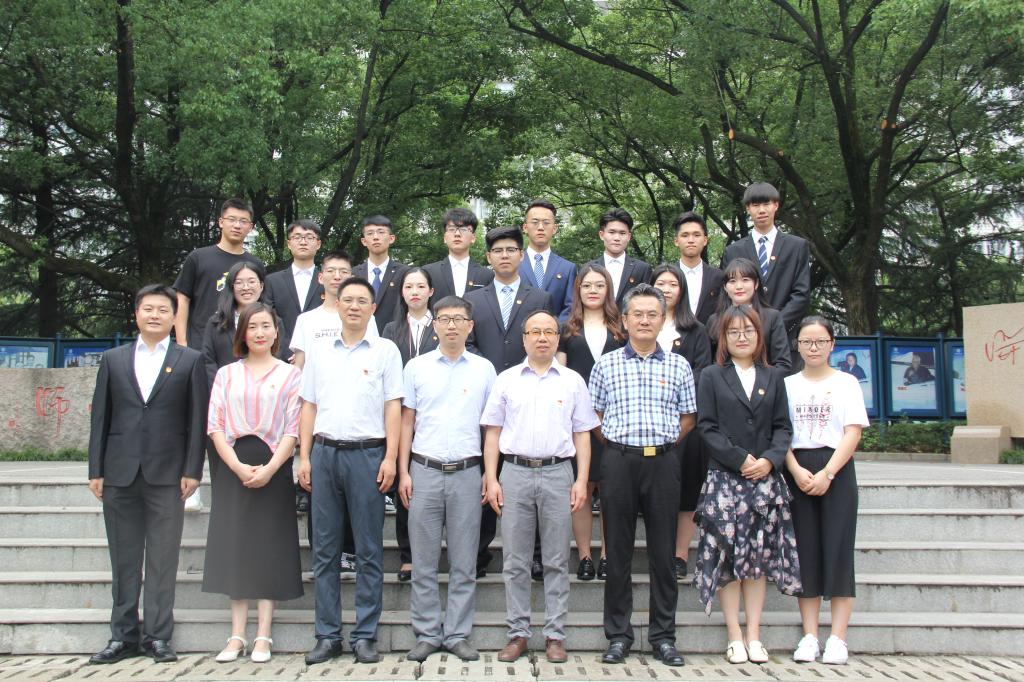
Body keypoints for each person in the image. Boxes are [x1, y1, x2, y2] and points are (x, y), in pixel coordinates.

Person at [87, 285, 207, 664]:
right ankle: (122, 636)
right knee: (123, 559)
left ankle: (157, 636)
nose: (155, 315)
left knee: (162, 558)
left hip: (168, 474)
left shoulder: (189, 360)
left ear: (174, 317)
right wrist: (96, 469)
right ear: (136, 314)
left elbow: (197, 420)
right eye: (148, 309)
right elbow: (101, 416)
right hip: (119, 472)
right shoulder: (114, 359)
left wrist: (193, 469)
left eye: (163, 310)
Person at [482, 310, 599, 664]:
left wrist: (581, 479)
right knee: (515, 560)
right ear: (524, 339)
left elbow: (582, 434)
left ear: (558, 338)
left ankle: (555, 635)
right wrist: (491, 477)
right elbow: (493, 432)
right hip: (515, 473)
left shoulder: (572, 381)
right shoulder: (506, 380)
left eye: (549, 331)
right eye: (535, 332)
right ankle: (517, 633)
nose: (543, 338)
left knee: (556, 559)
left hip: (557, 473)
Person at [589, 284, 696, 667]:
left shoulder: (679, 366)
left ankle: (663, 637)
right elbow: (594, 415)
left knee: (663, 554)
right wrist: (621, 445)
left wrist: (660, 445)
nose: (645, 320)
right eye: (638, 314)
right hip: (618, 462)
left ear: (663, 319)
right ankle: (618, 635)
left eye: (653, 314)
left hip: (663, 463)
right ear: (625, 319)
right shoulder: (606, 364)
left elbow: (688, 417)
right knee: (617, 551)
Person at [297, 277, 403, 665]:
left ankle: (365, 635)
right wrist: (304, 456)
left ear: (373, 309)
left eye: (362, 301)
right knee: (324, 551)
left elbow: (394, 406)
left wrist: (390, 458)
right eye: (348, 300)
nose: (354, 306)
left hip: (368, 456)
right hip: (325, 454)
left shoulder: (386, 351)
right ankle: (327, 635)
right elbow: (308, 405)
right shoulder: (319, 351)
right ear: (337, 305)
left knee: (368, 549)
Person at [694, 304, 802, 665]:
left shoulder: (774, 377)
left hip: (764, 482)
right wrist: (740, 459)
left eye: (749, 331)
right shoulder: (711, 376)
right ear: (723, 338)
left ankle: (754, 635)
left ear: (760, 335)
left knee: (758, 559)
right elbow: (707, 426)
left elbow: (783, 426)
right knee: (728, 559)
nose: (742, 337)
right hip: (726, 479)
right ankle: (734, 635)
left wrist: (770, 459)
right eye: (734, 332)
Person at [397, 295, 496, 663]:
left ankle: (456, 634)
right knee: (423, 560)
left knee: (464, 561)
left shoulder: (484, 369)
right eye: (444, 319)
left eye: (458, 319)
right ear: (434, 325)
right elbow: (407, 422)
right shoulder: (416, 367)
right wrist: (403, 471)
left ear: (470, 326)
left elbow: (491, 427)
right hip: (423, 471)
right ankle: (426, 633)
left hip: (468, 473)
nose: (451, 325)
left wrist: (489, 474)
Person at [203, 303, 303, 664]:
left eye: (266, 326)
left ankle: (263, 634)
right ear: (242, 333)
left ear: (276, 332)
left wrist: (271, 468)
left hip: (274, 464)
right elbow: (215, 424)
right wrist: (236, 466)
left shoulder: (291, 375)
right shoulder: (227, 374)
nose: (259, 332)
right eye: (252, 326)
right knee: (236, 546)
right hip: (233, 464)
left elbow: (293, 427)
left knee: (268, 547)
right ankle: (236, 635)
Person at [465, 225, 553, 578]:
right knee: (486, 473)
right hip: (485, 395)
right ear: (488, 257)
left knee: (530, 473)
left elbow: (545, 342)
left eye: (511, 250)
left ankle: (536, 555)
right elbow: (469, 343)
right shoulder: (474, 299)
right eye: (498, 250)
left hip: (529, 394)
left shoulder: (539, 297)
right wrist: (490, 374)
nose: (504, 255)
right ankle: (479, 552)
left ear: (521, 255)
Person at [784, 316, 868, 666]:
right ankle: (809, 636)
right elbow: (780, 434)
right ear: (798, 346)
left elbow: (853, 432)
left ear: (832, 344)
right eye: (807, 341)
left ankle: (837, 637)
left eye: (820, 341)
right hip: (798, 469)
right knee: (805, 554)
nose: (814, 347)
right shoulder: (787, 384)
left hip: (836, 469)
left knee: (838, 550)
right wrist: (795, 469)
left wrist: (828, 473)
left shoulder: (847, 382)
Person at [555, 264, 627, 582]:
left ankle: (608, 555)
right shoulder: (566, 329)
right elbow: (559, 376)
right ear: (578, 290)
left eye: (599, 285)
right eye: (587, 285)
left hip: (616, 421)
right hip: (578, 423)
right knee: (581, 490)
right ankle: (585, 555)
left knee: (612, 492)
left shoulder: (622, 328)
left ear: (608, 290)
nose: (593, 290)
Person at [649, 263, 712, 581]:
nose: (666, 289)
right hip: (648, 422)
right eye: (660, 283)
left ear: (682, 290)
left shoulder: (696, 330)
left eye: (673, 284)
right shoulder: (642, 324)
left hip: (686, 422)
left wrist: (673, 392)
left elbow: (702, 370)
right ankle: (658, 551)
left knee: (686, 489)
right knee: (655, 491)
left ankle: (680, 554)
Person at [382, 267, 440, 583]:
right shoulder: (391, 329)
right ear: (402, 292)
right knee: (405, 486)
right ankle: (408, 556)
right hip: (400, 413)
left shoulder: (443, 324)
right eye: (408, 286)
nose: (414, 292)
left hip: (434, 414)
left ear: (431, 291)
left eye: (420, 286)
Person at [721, 182, 810, 339]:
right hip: (743, 336)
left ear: (776, 205)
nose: (761, 210)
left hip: (784, 336)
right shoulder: (733, 251)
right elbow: (727, 294)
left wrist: (775, 325)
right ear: (748, 208)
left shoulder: (797, 246)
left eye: (766, 204)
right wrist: (747, 326)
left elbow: (801, 295)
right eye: (755, 205)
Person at [173, 198, 263, 350]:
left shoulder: (255, 264)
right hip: (200, 344)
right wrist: (182, 342)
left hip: (243, 345)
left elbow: (261, 304)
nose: (237, 225)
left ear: (250, 227)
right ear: (221, 222)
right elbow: (182, 299)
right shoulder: (198, 258)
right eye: (231, 219)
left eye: (243, 221)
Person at [706, 258, 792, 371]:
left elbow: (782, 364)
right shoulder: (714, 320)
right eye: (732, 281)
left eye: (745, 280)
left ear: (756, 284)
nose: (739, 286)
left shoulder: (772, 317)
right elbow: (709, 363)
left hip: (765, 381)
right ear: (725, 287)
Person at [201, 261, 270, 388]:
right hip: (223, 391)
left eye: (251, 281)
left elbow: (277, 356)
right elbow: (208, 361)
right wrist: (219, 389)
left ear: (261, 286)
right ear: (231, 287)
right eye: (239, 283)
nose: (246, 287)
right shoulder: (216, 322)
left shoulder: (274, 321)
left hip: (264, 392)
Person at [262, 219, 325, 356]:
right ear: (289, 244)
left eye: (309, 237)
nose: (303, 242)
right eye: (297, 237)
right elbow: (267, 319)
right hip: (281, 356)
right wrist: (286, 352)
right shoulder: (272, 281)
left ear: (318, 244)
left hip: (321, 355)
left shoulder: (328, 281)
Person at [422, 207, 494, 306]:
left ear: (473, 238)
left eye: (463, 229)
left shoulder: (487, 275)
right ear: (445, 238)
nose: (457, 234)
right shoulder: (428, 272)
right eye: (451, 229)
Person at [518, 198, 577, 321]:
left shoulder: (567, 268)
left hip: (556, 331)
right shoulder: (513, 264)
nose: (540, 227)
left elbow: (571, 307)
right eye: (535, 222)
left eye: (546, 222)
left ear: (554, 228)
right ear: (525, 227)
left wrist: (554, 328)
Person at [584, 208, 652, 308]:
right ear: (601, 235)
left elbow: (648, 303)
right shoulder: (588, 268)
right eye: (612, 232)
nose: (617, 238)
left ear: (629, 237)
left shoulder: (642, 269)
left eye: (622, 233)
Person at [353, 215, 408, 335]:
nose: (375, 237)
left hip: (395, 337)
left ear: (391, 238)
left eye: (381, 232)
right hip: (358, 337)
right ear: (364, 241)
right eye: (370, 233)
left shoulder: (405, 273)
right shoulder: (353, 274)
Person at [673, 211, 724, 326]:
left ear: (705, 240)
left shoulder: (718, 277)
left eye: (696, 235)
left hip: (709, 335)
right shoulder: (666, 276)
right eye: (685, 235)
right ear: (676, 241)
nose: (691, 240)